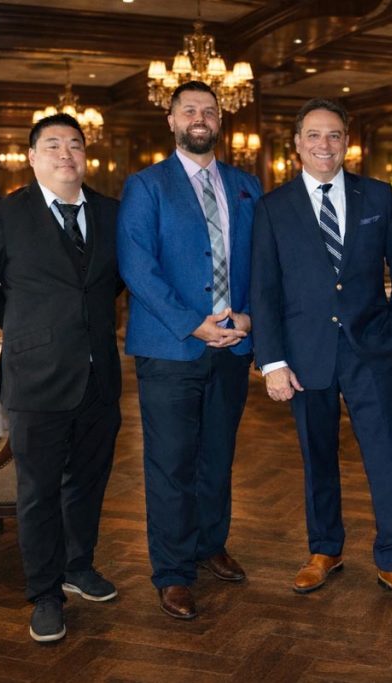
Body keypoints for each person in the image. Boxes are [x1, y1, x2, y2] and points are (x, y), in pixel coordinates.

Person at [250, 98, 392, 612]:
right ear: (297, 143)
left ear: (347, 140)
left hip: (370, 349)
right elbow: (264, 290)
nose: (323, 145)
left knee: (387, 457)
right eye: (313, 135)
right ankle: (324, 550)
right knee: (317, 457)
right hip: (305, 358)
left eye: (333, 135)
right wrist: (273, 361)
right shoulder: (273, 207)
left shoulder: (378, 196)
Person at [0, 113, 123, 642]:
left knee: (90, 482)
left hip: (100, 374)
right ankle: (45, 593)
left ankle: (79, 567)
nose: (65, 154)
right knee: (38, 492)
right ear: (32, 157)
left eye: (75, 145)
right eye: (52, 145)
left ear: (85, 156)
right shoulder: (6, 214)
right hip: (37, 376)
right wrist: (27, 326)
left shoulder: (111, 212)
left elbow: (116, 282)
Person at [117, 81, 262, 620]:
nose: (199, 118)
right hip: (170, 347)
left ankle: (210, 544)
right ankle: (173, 571)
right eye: (189, 111)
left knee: (218, 456)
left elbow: (263, 264)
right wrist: (192, 324)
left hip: (233, 346)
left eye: (209, 110)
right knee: (171, 463)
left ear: (220, 121)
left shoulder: (247, 185)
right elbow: (137, 268)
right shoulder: (145, 186)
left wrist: (251, 319)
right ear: (172, 121)